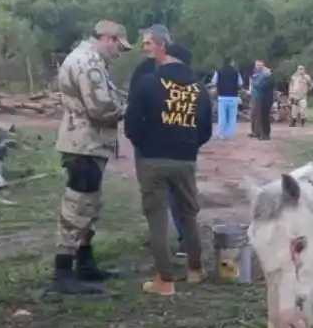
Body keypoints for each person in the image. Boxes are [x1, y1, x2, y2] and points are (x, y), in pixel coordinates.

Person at [124, 24, 212, 296]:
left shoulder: (148, 83)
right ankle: (195, 269)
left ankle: (165, 280)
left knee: (157, 217)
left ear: (166, 55)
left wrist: (145, 143)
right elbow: (205, 131)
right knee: (189, 214)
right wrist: (186, 145)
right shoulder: (199, 90)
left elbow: (130, 126)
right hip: (185, 160)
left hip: (153, 159)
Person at [50, 19, 130, 295]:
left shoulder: (87, 59)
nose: (120, 52)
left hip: (86, 142)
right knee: (78, 206)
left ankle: (85, 262)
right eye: (119, 45)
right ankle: (63, 270)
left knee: (90, 204)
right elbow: (100, 108)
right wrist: (128, 109)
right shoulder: (88, 63)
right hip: (84, 143)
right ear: (108, 38)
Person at [128, 25, 188, 256]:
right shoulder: (143, 70)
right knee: (152, 194)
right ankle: (158, 238)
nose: (144, 48)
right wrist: (137, 138)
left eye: (147, 43)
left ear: (162, 44)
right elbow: (134, 108)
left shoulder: (180, 68)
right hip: (148, 143)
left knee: (177, 193)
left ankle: (184, 238)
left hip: (174, 143)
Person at [212, 58, 243, 140]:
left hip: (222, 96)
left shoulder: (218, 71)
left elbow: (214, 82)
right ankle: (230, 134)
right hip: (233, 96)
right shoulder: (236, 72)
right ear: (232, 62)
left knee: (222, 117)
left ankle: (221, 134)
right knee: (232, 117)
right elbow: (240, 83)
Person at [251, 63, 275, 141]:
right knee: (263, 117)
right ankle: (263, 133)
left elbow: (260, 86)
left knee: (265, 117)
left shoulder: (269, 80)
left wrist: (257, 81)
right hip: (264, 99)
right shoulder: (267, 79)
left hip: (266, 99)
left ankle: (266, 134)